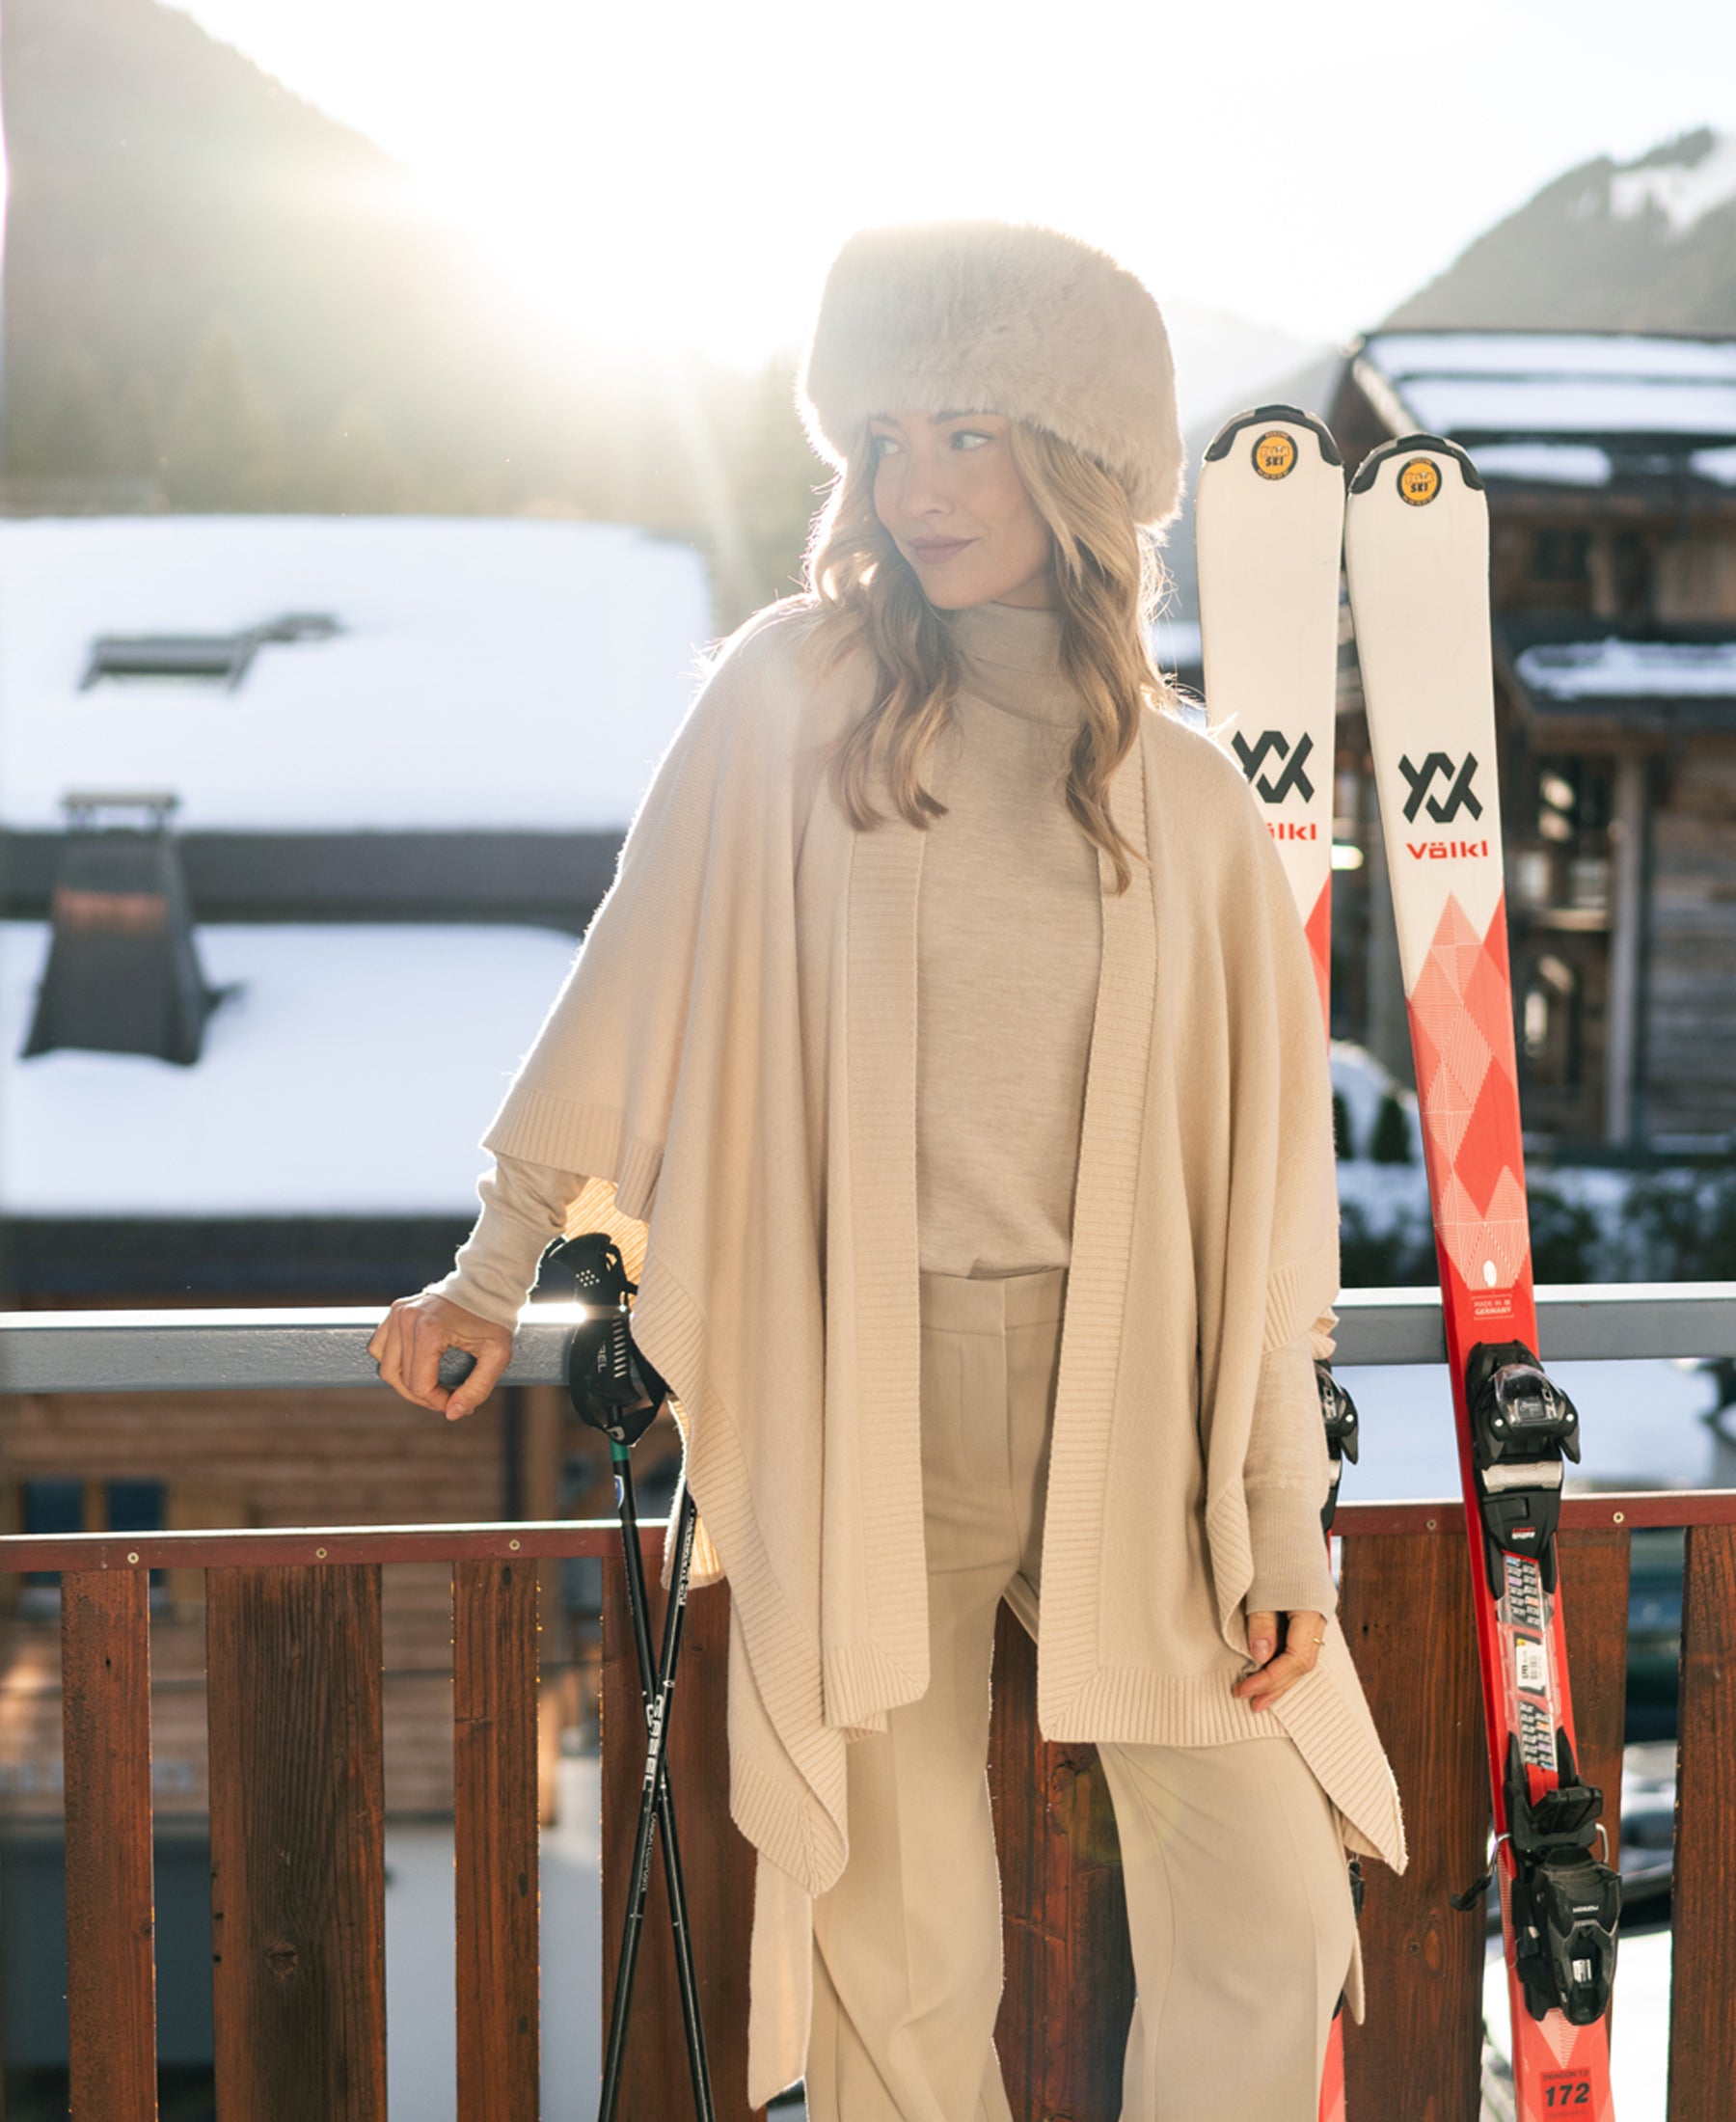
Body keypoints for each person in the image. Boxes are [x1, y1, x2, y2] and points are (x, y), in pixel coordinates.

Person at [369, 219, 1407, 2122]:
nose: (916, 487)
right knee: (900, 1934)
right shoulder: (788, 699)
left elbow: (1272, 1204)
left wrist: (1276, 1513)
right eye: (885, 439)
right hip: (868, 1383)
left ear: (1082, 463)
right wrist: (492, 1267)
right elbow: (636, 974)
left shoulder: (1182, 791)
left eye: (971, 435)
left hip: (1130, 1398)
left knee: (1264, 1887)